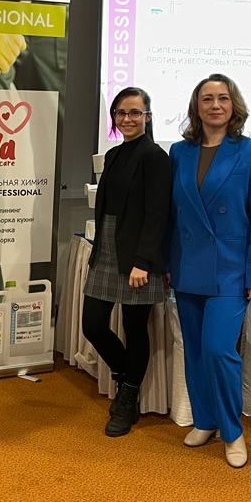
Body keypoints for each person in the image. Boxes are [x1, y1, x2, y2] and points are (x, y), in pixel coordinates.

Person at [169, 74, 251, 469]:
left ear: (234, 105)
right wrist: (168, 263)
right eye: (207, 98)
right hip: (187, 265)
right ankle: (205, 420)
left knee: (218, 349)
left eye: (223, 98)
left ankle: (232, 430)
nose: (215, 105)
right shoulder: (179, 151)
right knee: (195, 351)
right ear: (196, 107)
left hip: (230, 269)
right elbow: (172, 215)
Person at [81, 87, 171, 437]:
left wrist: (144, 261)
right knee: (93, 324)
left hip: (137, 255)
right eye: (121, 113)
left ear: (148, 116)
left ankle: (128, 397)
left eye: (135, 112)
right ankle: (125, 376)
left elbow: (158, 214)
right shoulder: (114, 154)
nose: (127, 119)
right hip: (108, 246)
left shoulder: (155, 157)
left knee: (135, 329)